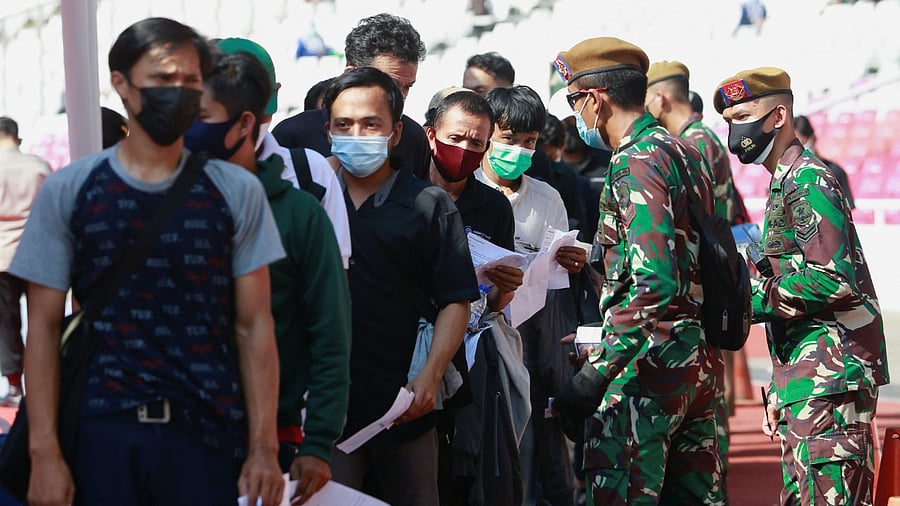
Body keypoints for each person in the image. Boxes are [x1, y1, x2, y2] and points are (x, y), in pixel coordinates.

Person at [9, 17, 285, 505]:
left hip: (208, 432)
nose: (177, 91)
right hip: (101, 430)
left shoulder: (236, 192)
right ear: (122, 83)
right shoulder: (70, 189)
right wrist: (44, 453)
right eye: (162, 78)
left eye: (190, 80)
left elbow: (254, 325)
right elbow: (45, 330)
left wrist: (264, 447)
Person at [549, 37, 725, 505]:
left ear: (594, 99)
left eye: (574, 103)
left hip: (645, 370)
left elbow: (655, 280)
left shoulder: (636, 159)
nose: (577, 118)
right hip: (694, 361)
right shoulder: (681, 150)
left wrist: (596, 372)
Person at [713, 66, 889, 505]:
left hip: (829, 377)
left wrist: (743, 297)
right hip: (809, 376)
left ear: (778, 117)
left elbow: (832, 279)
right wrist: (783, 385)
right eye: (730, 121)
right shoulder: (785, 182)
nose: (737, 130)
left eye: (744, 116)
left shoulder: (808, 179)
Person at [183, 50, 352, 504]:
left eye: (198, 115)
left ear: (244, 124)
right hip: (175, 435)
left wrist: (317, 443)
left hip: (272, 441)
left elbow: (329, 335)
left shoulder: (298, 215)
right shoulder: (165, 206)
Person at [323, 67, 479, 506]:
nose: (357, 134)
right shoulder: (311, 200)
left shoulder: (429, 204)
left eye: (371, 124)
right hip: (327, 411)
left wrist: (430, 377)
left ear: (395, 132)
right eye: (344, 125)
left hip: (405, 405)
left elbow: (456, 300)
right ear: (328, 131)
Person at [476, 84, 586, 506]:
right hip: (479, 339)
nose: (519, 151)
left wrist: (571, 262)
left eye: (529, 143)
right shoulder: (465, 190)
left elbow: (556, 278)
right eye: (508, 140)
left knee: (542, 456)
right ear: (487, 136)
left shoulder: (546, 197)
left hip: (535, 341)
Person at [424, 87, 529, 506]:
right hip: (411, 351)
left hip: (471, 355)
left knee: (468, 469)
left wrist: (506, 285)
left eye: (476, 143)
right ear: (431, 136)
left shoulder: (494, 207)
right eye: (456, 139)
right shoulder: (406, 196)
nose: (464, 150)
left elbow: (499, 303)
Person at [216, 37, 352, 269]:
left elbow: (333, 274)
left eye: (259, 112)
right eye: (231, 113)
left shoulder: (312, 173)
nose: (247, 125)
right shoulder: (180, 172)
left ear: (277, 93)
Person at [273, 13, 432, 180]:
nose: (400, 96)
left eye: (407, 87)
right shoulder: (293, 135)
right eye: (389, 83)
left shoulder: (414, 138)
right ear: (351, 74)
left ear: (397, 134)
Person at [645, 60, 742, 224]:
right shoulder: (695, 135)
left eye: (646, 102)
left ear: (660, 99)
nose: (645, 108)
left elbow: (696, 211)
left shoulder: (694, 141)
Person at [0, 116, 51, 408]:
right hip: (38, 254)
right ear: (17, 139)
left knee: (6, 327)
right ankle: (43, 384)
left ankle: (16, 387)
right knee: (42, 324)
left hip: (2, 257)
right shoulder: (38, 167)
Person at [793, 115, 856, 209]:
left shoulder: (835, 172)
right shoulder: (790, 176)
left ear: (814, 138)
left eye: (803, 142)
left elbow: (848, 211)